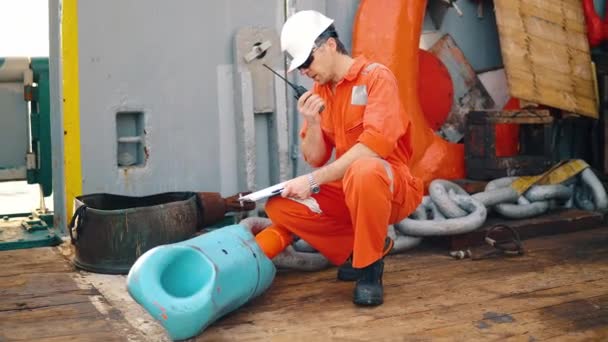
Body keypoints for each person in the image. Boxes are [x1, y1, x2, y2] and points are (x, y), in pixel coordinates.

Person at [254, 10, 423, 306]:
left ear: (330, 45)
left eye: (307, 61)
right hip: (350, 187)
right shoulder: (321, 92)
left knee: (364, 169)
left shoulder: (377, 79)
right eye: (300, 67)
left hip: (390, 186)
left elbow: (372, 148)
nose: (304, 71)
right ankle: (362, 248)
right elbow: (315, 158)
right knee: (280, 204)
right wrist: (314, 123)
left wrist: (312, 181)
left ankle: (369, 268)